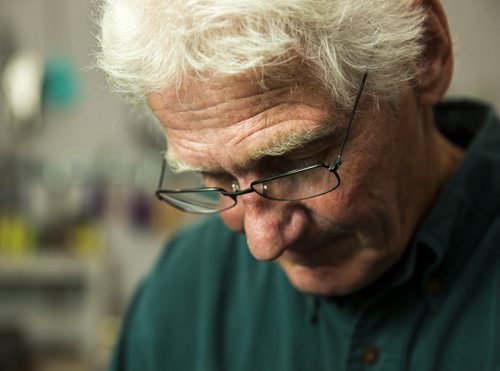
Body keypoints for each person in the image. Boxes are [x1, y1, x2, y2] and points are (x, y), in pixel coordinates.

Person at [97, 0, 500, 370]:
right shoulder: (183, 289)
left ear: (422, 52)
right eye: (215, 178)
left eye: (296, 163)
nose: (262, 244)